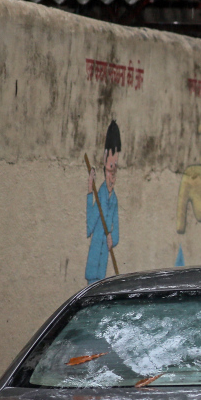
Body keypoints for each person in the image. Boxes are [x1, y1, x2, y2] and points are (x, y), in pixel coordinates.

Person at [86, 121, 122, 283]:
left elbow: (116, 231)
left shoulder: (114, 200)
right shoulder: (100, 195)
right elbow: (90, 225)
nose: (112, 175)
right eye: (110, 169)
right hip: (94, 262)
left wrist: (111, 240)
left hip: (103, 267)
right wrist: (89, 191)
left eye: (115, 169)